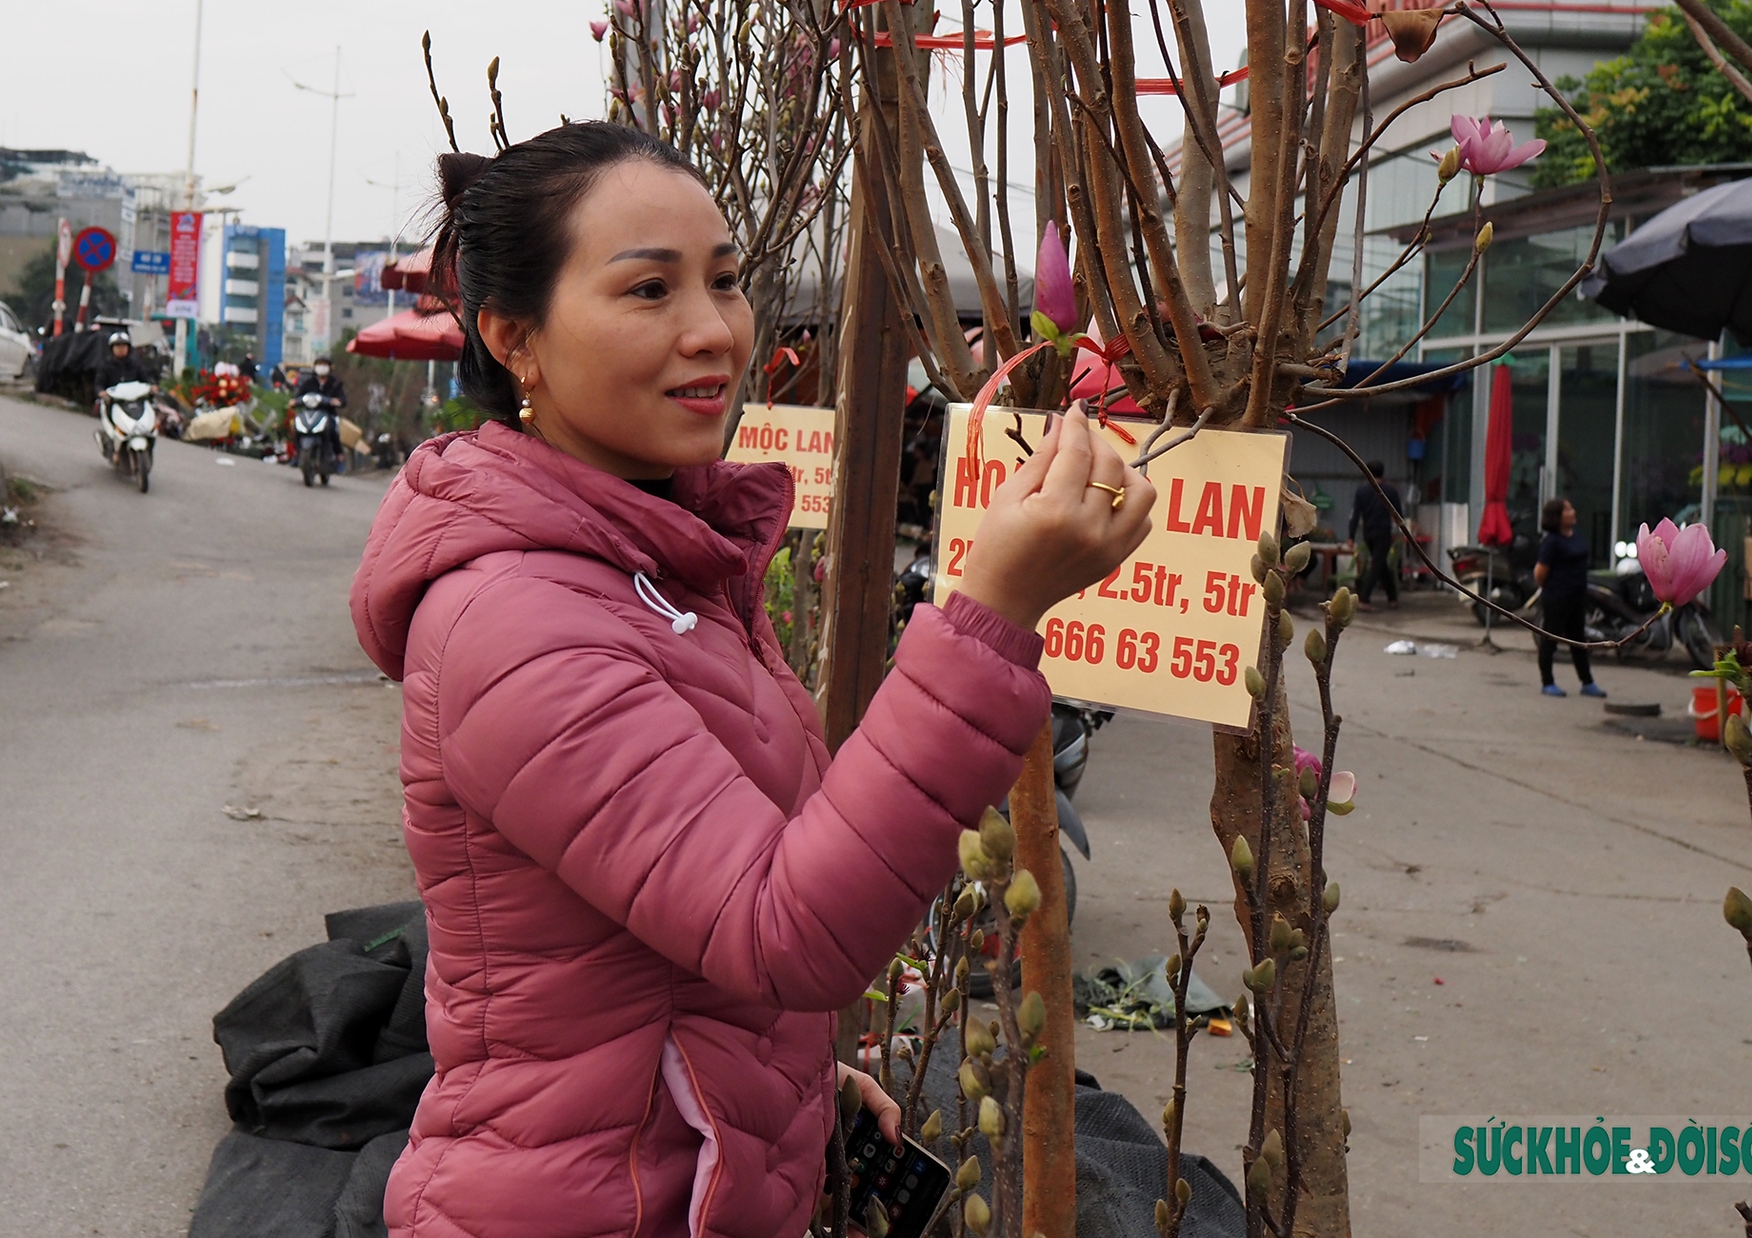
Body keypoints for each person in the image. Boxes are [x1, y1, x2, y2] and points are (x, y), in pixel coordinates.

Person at [349, 122, 1158, 1238]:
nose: (712, 331)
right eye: (647, 290)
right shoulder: (516, 622)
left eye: (724, 281)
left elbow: (670, 927)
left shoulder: (663, 561)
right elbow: (779, 925)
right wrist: (992, 618)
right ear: (514, 339)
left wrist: (786, 1086)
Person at [1535, 497, 1606, 698]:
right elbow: (1540, 573)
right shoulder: (1551, 542)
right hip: (1557, 598)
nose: (1572, 512)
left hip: (1577, 597)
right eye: (1567, 510)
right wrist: (1555, 589)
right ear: (1557, 516)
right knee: (1550, 640)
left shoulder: (1575, 536)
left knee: (1579, 641)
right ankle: (1547, 682)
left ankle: (1587, 682)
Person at [1348, 460, 1403, 609]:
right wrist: (1402, 530)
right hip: (1383, 532)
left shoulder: (1362, 491)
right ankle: (1364, 599)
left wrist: (1351, 536)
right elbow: (1398, 513)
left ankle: (1392, 598)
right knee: (1377, 564)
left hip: (1368, 533)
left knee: (1381, 564)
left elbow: (1355, 515)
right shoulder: (1390, 490)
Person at [296, 355, 347, 464]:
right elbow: (298, 395)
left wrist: (337, 401)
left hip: (328, 414)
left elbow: (342, 399)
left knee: (333, 430)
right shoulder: (309, 382)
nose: (321, 367)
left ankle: (338, 454)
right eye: (319, 364)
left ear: (329, 367)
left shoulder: (335, 383)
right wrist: (295, 401)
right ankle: (296, 453)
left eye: (324, 365)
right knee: (296, 428)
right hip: (309, 413)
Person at [93, 330, 152, 411]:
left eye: (123, 346)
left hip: (134, 403)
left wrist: (152, 386)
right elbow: (99, 384)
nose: (121, 349)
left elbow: (146, 379)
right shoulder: (105, 365)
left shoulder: (135, 364)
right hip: (114, 404)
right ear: (112, 348)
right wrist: (102, 392)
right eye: (117, 346)